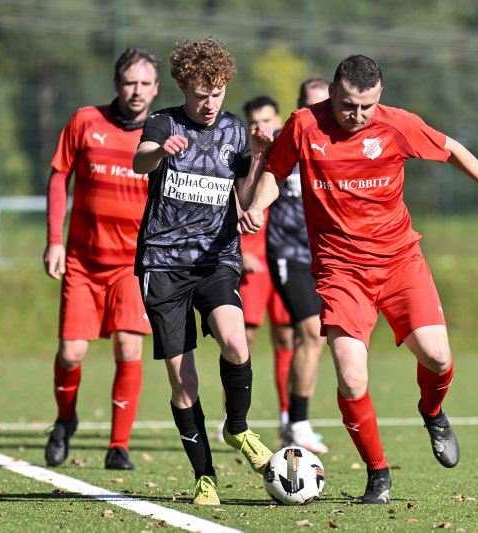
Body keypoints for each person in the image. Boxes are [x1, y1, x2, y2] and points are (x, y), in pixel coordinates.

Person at [240, 55, 478, 504]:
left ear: (380, 97)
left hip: (400, 263)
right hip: (340, 271)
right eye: (349, 105)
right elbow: (275, 171)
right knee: (352, 379)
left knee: (438, 358)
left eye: (367, 106)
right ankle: (378, 475)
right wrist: (258, 206)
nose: (358, 116)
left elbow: (453, 150)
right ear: (332, 92)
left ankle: (432, 412)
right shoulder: (303, 125)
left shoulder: (398, 125)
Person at [132, 37, 274, 506]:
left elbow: (245, 191)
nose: (209, 102)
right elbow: (140, 162)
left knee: (237, 342)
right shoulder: (162, 122)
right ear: (183, 88)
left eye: (216, 92)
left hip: (216, 259)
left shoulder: (235, 130)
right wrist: (160, 152)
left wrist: (258, 158)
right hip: (164, 264)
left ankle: (238, 428)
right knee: (183, 381)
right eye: (199, 93)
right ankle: (204, 477)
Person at [43, 48, 158, 471]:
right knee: (72, 353)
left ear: (157, 88)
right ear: (116, 84)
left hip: (132, 265)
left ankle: (118, 446)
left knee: (129, 347)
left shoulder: (163, 132)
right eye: (130, 82)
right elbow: (59, 176)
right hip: (83, 263)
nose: (137, 91)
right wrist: (54, 240)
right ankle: (65, 419)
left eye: (145, 84)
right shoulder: (85, 121)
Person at [214, 96, 295, 444]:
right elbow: (235, 205)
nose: (263, 127)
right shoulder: (247, 159)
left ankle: (288, 418)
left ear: (278, 119)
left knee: (287, 338)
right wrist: (242, 250)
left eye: (268, 119)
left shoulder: (291, 155)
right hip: (255, 262)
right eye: (255, 121)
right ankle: (230, 418)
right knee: (241, 339)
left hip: (287, 259)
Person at [257, 85, 332, 454]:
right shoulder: (291, 137)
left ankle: (295, 421)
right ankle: (297, 422)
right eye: (313, 102)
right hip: (289, 252)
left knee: (323, 340)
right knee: (310, 333)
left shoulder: (342, 143)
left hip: (329, 255)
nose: (322, 108)